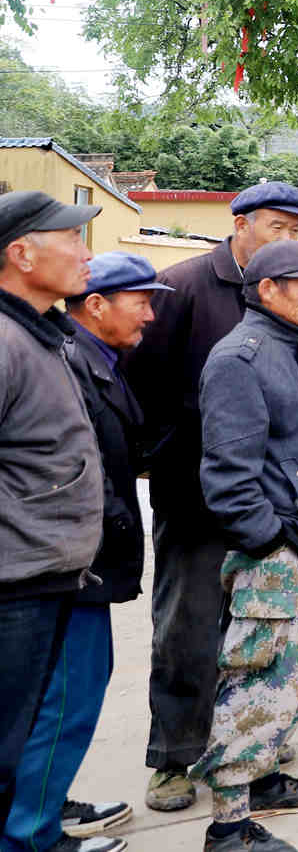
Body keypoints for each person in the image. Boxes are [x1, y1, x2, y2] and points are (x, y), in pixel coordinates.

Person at [123, 181, 298, 813]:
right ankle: (174, 756)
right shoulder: (183, 286)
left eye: (295, 229)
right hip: (194, 490)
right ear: (240, 224)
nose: (287, 238)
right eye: (276, 226)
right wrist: (169, 455)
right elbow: (139, 382)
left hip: (269, 495)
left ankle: (246, 743)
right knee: (187, 624)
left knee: (258, 626)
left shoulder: (285, 291)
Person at [194, 241, 298, 852]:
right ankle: (228, 827)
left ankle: (262, 781)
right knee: (255, 679)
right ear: (267, 289)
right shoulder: (240, 358)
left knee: (294, 675)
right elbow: (228, 475)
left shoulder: (287, 348)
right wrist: (270, 541)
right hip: (276, 553)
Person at [4, 253, 165, 852]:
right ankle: (32, 832)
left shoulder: (95, 358)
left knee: (56, 697)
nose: (150, 316)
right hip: (70, 566)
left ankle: (43, 801)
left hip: (78, 561)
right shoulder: (66, 360)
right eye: (140, 302)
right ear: (96, 306)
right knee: (65, 700)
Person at [0, 192, 103, 834]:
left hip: (45, 577)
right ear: (21, 253)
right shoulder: (6, 340)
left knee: (16, 746)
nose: (85, 254)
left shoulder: (43, 335)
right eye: (71, 240)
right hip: (14, 587)